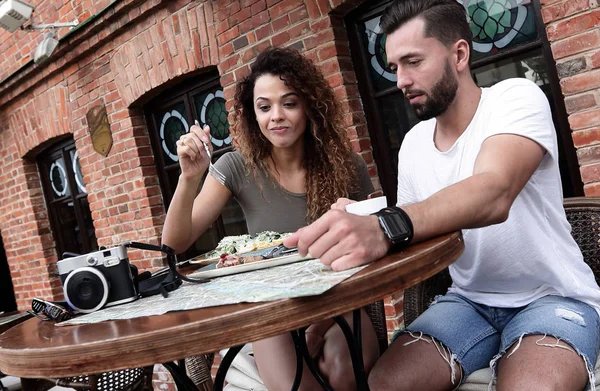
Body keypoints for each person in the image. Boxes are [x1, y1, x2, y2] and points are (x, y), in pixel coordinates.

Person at [284, 0, 600, 390]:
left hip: (551, 296)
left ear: (460, 54)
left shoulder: (515, 98)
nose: (400, 80)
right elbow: (420, 220)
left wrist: (387, 223)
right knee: (384, 384)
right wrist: (369, 218)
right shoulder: (414, 143)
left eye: (413, 61)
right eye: (395, 66)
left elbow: (493, 191)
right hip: (467, 303)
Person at [161, 46, 380, 390]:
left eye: (289, 103)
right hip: (271, 314)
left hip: (339, 303)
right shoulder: (236, 167)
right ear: (253, 115)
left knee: (345, 372)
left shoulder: (347, 166)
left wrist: (317, 327)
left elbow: (372, 248)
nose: (276, 115)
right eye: (264, 107)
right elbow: (174, 243)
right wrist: (189, 177)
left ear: (310, 106)